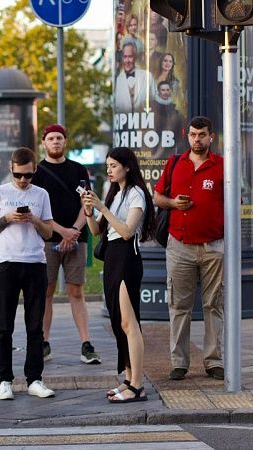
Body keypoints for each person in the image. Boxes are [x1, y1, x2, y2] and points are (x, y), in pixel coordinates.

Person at [153, 116, 225, 381]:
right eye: (193, 134)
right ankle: (179, 363)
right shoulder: (175, 163)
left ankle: (214, 361)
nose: (197, 139)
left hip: (213, 246)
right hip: (179, 245)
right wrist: (173, 203)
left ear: (211, 137)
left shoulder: (222, 166)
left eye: (202, 135)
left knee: (213, 305)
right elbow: (157, 197)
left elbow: (234, 202)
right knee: (179, 305)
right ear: (187, 135)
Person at [82, 147, 156, 403]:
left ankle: (138, 385)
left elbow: (127, 231)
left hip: (127, 258)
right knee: (117, 323)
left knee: (128, 323)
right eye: (108, 166)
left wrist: (102, 207)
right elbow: (96, 231)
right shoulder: (114, 193)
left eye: (113, 165)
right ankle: (128, 378)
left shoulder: (136, 193)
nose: (109, 170)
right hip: (112, 257)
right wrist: (89, 210)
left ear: (127, 166)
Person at [0, 147, 56, 401]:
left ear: (34, 170)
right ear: (11, 169)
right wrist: (8, 218)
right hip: (7, 263)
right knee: (5, 325)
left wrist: (34, 220)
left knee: (35, 326)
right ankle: (4, 380)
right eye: (18, 175)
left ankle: (34, 379)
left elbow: (49, 233)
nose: (23, 180)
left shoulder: (42, 194)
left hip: (35, 263)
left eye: (28, 175)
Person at [31, 125, 100, 365]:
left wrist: (74, 231)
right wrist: (62, 232)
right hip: (47, 240)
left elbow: (86, 203)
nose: (55, 142)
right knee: (46, 292)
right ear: (44, 143)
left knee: (76, 291)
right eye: (51, 138)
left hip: (77, 239)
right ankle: (44, 342)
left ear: (65, 141)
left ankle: (86, 344)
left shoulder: (78, 170)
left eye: (59, 138)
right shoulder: (37, 172)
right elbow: (36, 211)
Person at [115, 40, 156, 114]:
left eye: (130, 56)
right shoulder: (118, 80)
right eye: (125, 57)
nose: (127, 61)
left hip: (144, 121)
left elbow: (154, 102)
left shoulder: (148, 76)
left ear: (135, 57)